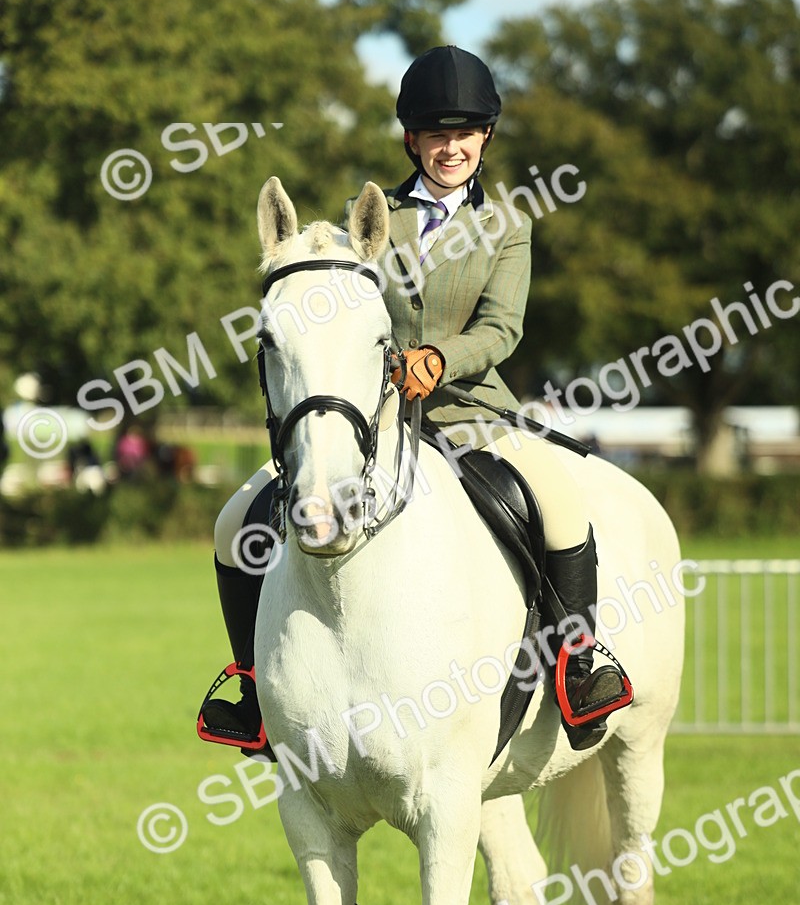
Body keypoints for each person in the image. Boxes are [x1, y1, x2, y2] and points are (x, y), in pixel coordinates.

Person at [201, 45, 628, 753]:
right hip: (375, 418)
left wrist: (440, 359)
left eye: (464, 134)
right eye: (436, 134)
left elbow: (503, 328)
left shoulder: (509, 225)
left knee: (559, 500)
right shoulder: (369, 216)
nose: (450, 146)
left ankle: (580, 663)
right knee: (232, 522)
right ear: (412, 140)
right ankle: (251, 686)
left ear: (484, 138)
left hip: (473, 414)